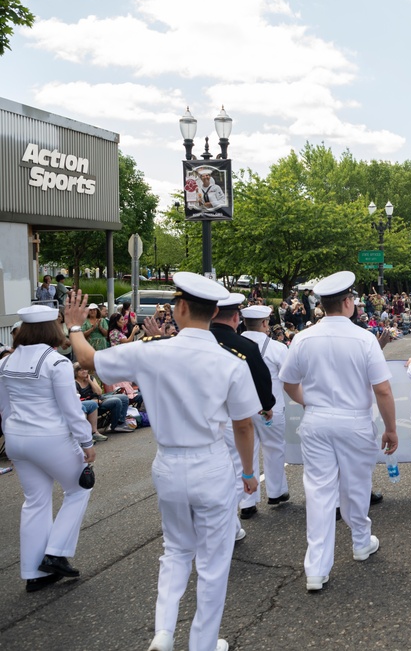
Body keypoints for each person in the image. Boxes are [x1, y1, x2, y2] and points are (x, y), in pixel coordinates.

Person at [67, 274, 260, 651]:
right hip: (211, 462)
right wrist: (249, 472)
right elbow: (243, 426)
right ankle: (202, 643)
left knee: (175, 549)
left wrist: (75, 324)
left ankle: (164, 631)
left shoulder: (151, 350)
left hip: (169, 462)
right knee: (213, 560)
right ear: (216, 311)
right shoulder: (231, 362)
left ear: (181, 308)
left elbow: (88, 359)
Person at [279, 271, 398, 592]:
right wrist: (390, 428)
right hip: (354, 421)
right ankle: (360, 541)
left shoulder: (303, 338)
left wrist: (308, 403)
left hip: (317, 420)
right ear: (347, 303)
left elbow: (288, 382)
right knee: (356, 485)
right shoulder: (364, 339)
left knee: (319, 491)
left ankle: (316, 567)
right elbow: (383, 390)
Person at [0, 305, 96, 593]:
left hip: (17, 439)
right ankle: (55, 553)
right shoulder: (56, 363)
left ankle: (33, 572)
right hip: (50, 439)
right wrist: (87, 442)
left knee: (35, 502)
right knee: (79, 488)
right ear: (52, 328)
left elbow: (4, 408)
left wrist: (11, 434)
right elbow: (71, 410)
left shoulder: (5, 362)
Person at [210, 293, 277, 525]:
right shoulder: (245, 346)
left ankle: (231, 519)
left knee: (217, 468)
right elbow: (261, 377)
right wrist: (267, 406)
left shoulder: (198, 342)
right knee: (241, 461)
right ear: (236, 317)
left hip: (200, 416)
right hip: (232, 413)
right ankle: (243, 507)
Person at [240, 304, 290, 507]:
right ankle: (276, 493)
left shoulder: (235, 345)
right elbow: (288, 376)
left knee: (245, 452)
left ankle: (247, 502)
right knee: (274, 450)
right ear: (264, 323)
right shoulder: (277, 348)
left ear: (244, 323)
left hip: (241, 407)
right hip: (272, 406)